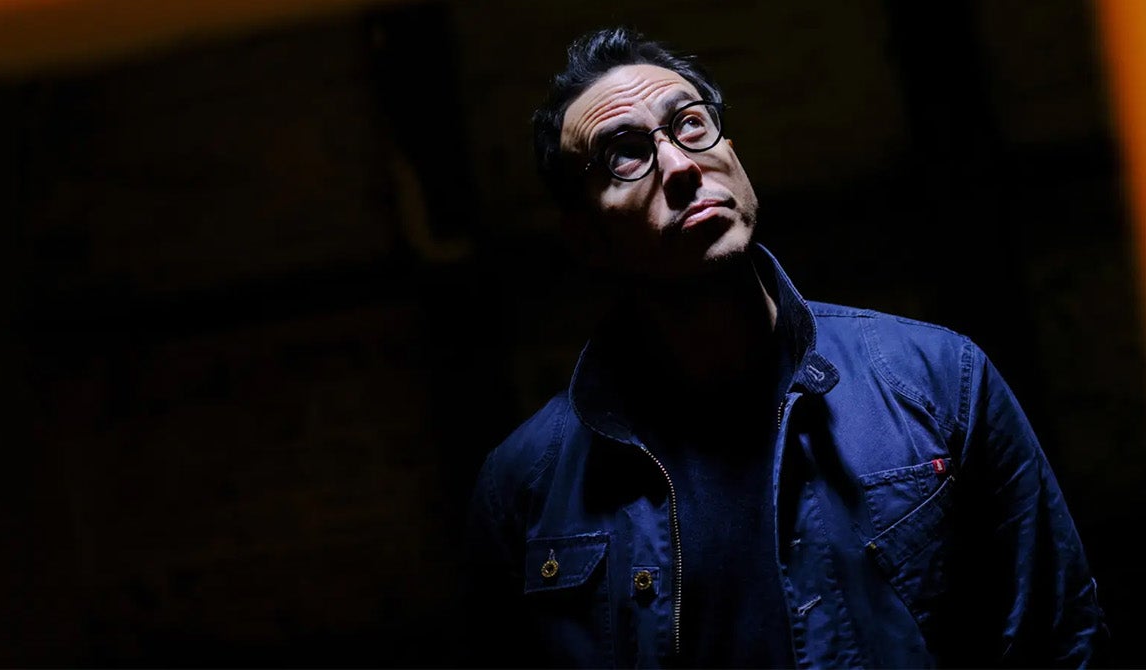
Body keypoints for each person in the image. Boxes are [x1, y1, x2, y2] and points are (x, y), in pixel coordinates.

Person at [460, 27, 1106, 668]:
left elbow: (1060, 642)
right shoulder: (524, 485)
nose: (682, 166)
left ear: (733, 154)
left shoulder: (939, 379)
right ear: (585, 237)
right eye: (624, 154)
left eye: (690, 124)